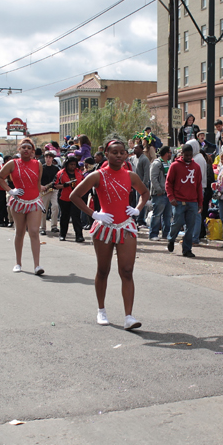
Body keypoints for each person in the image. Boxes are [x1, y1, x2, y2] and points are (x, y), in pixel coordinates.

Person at [70, 139, 149, 330]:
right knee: (103, 270)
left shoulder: (130, 175)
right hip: (104, 228)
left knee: (127, 271)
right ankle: (101, 310)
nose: (119, 155)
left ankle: (129, 316)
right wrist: (95, 214)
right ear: (107, 154)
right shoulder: (97, 175)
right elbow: (75, 196)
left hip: (126, 227)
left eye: (122, 152)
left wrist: (137, 209)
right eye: (115, 152)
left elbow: (145, 193)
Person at [0, 139, 45, 275]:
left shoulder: (38, 164)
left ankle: (37, 265)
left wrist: (40, 194)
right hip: (18, 201)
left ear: (33, 151)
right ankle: (18, 263)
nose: (26, 150)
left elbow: (38, 182)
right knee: (20, 232)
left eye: (29, 148)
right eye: (23, 147)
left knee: (34, 231)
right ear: (19, 149)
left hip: (34, 201)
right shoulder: (12, 163)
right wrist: (10, 190)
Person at [165, 144, 202, 258]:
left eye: (190, 155)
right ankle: (171, 239)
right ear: (182, 154)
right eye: (186, 155)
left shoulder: (196, 167)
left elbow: (198, 186)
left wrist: (200, 203)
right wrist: (171, 197)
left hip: (192, 201)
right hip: (179, 201)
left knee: (190, 227)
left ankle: (187, 249)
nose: (188, 157)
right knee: (177, 222)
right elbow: (168, 183)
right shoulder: (175, 166)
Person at [54, 156, 85, 243]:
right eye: (71, 164)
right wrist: (65, 185)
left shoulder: (79, 172)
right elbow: (55, 185)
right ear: (67, 164)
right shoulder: (61, 173)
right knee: (64, 217)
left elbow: (83, 182)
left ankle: (79, 236)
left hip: (76, 198)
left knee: (76, 217)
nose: (73, 166)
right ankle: (62, 235)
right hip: (64, 198)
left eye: (74, 164)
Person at [186, 139, 208, 244]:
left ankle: (194, 238)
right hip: (194, 189)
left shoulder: (198, 159)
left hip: (197, 189)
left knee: (196, 214)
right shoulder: (196, 157)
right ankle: (191, 237)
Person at [149, 145, 173, 241]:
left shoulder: (169, 163)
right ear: (166, 153)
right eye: (170, 152)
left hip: (168, 194)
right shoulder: (156, 163)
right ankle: (153, 234)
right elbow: (153, 178)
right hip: (159, 194)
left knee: (167, 215)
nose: (171, 154)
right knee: (157, 215)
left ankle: (166, 234)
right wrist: (159, 190)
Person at [128, 142, 151, 226]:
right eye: (134, 148)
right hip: (132, 184)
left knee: (140, 202)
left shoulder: (144, 159)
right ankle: (134, 219)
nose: (134, 149)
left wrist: (143, 186)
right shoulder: (133, 158)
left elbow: (146, 174)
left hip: (140, 185)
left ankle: (140, 220)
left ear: (141, 149)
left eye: (136, 148)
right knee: (133, 202)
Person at [39, 151, 60, 235]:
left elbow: (57, 179)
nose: (48, 159)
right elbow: (37, 179)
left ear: (52, 159)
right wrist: (40, 186)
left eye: (50, 157)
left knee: (55, 206)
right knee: (43, 209)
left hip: (54, 190)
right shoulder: (41, 168)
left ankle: (54, 226)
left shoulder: (56, 168)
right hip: (44, 191)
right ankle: (42, 227)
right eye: (46, 157)